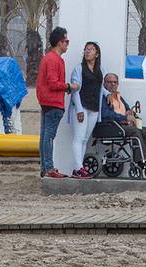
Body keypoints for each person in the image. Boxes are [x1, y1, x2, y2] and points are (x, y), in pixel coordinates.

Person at [37, 27, 77, 178]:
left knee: (45, 136)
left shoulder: (48, 58)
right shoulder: (54, 59)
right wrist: (69, 86)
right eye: (66, 41)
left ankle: (45, 166)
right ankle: (49, 168)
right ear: (60, 42)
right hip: (53, 103)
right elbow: (53, 83)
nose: (67, 44)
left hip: (47, 102)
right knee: (49, 136)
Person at [99, 73, 146, 166]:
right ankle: (142, 160)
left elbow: (127, 109)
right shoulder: (103, 97)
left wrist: (130, 113)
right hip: (112, 126)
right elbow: (105, 114)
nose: (113, 84)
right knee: (135, 131)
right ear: (104, 83)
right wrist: (124, 117)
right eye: (110, 82)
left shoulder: (119, 97)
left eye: (115, 82)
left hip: (123, 125)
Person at [67, 40, 104, 177]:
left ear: (97, 54)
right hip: (82, 108)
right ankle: (78, 168)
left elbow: (101, 89)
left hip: (94, 109)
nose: (88, 52)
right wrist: (79, 109)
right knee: (78, 137)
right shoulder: (79, 69)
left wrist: (110, 95)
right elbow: (75, 90)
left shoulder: (100, 70)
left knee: (85, 139)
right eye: (86, 49)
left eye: (91, 49)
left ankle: (79, 167)